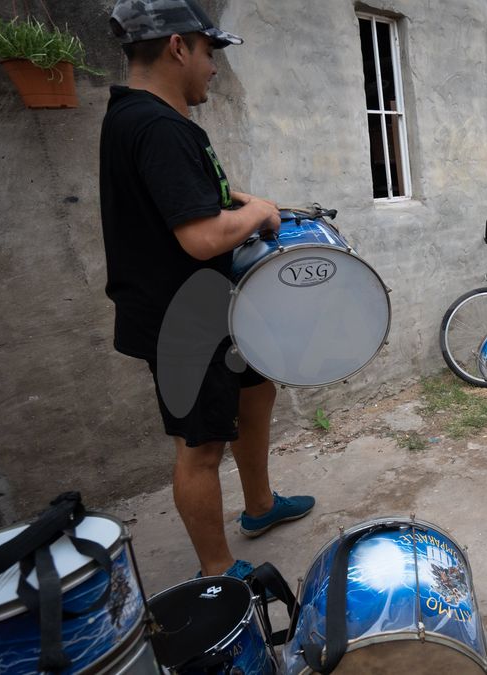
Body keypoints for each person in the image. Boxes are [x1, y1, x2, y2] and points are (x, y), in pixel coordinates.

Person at [100, 0, 313, 579]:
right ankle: (219, 572)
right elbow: (199, 237)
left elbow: (180, 198)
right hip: (180, 318)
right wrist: (260, 212)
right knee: (200, 448)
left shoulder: (141, 118)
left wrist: (236, 200)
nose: (214, 67)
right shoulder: (158, 126)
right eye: (208, 51)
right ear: (177, 46)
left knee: (256, 389)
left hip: (208, 305)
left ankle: (261, 506)